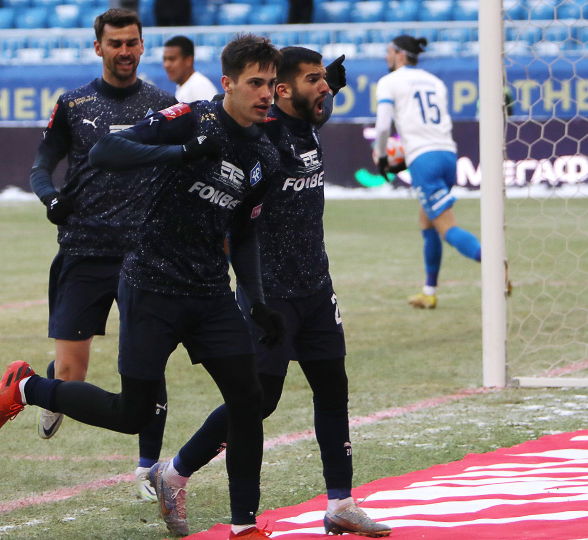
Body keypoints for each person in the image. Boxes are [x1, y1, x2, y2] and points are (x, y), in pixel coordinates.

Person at [0, 33, 285, 540]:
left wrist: (256, 303)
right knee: (132, 414)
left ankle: (243, 526)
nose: (266, 94)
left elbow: (246, 233)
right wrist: (182, 152)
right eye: (256, 83)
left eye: (272, 84)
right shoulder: (193, 118)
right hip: (151, 284)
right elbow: (105, 151)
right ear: (228, 83)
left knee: (248, 399)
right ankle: (28, 387)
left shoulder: (265, 156)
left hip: (210, 293)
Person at [150, 48, 392, 538]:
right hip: (270, 294)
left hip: (316, 287)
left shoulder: (306, 121)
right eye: (313, 79)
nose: (324, 88)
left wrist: (327, 86)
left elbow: (316, 106)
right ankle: (174, 472)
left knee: (333, 390)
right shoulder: (263, 136)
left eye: (324, 79)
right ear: (281, 90)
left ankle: (341, 503)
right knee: (258, 401)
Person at [26, 7, 177, 502]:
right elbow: (42, 166)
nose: (125, 51)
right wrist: (51, 198)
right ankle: (53, 387)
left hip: (144, 255)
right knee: (74, 373)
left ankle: (147, 469)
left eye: (132, 42)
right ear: (98, 47)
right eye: (115, 43)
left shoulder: (163, 104)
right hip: (84, 250)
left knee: (148, 365)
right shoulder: (73, 103)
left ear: (142, 45)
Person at [373, 35, 482, 310]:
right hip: (447, 155)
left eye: (388, 52)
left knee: (447, 227)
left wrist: (382, 157)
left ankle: (493, 261)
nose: (386, 56)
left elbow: (383, 126)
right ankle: (429, 291)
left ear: (400, 54)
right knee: (427, 221)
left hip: (424, 159)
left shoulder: (389, 81)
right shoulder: (435, 82)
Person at [162, 35, 219, 103]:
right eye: (164, 59)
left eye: (172, 59)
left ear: (188, 60)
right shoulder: (186, 85)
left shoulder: (200, 86)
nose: (166, 65)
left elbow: (211, 110)